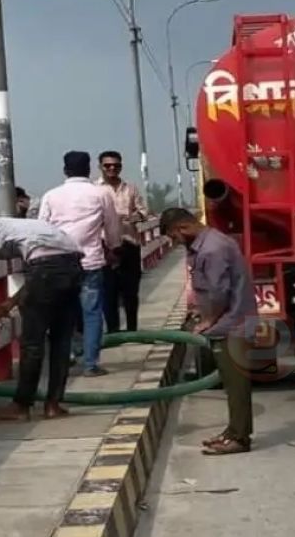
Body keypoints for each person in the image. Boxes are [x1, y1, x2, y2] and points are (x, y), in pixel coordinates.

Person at [0, 216, 82, 421]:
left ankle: (21, 406)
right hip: (73, 264)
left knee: (33, 343)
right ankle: (53, 405)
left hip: (47, 267)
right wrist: (9, 304)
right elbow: (40, 278)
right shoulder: (21, 228)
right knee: (61, 340)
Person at [160, 207, 255, 456]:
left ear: (182, 228)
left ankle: (240, 438)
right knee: (230, 381)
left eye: (173, 237)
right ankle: (232, 432)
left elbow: (217, 292)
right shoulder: (210, 242)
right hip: (229, 321)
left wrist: (207, 320)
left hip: (232, 323)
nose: (175, 242)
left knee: (236, 385)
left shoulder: (212, 249)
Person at [38, 151, 122, 377]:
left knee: (62, 312)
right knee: (92, 313)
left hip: (59, 262)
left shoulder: (51, 196)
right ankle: (91, 363)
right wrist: (114, 250)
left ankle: (67, 356)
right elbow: (113, 230)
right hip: (90, 261)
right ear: (89, 170)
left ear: (65, 171)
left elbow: (42, 230)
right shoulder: (101, 193)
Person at [96, 151, 148, 332]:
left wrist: (135, 217)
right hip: (106, 247)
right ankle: (113, 331)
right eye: (107, 165)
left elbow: (143, 212)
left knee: (131, 291)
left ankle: (132, 329)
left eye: (116, 165)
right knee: (108, 291)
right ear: (100, 167)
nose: (112, 168)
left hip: (129, 243)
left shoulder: (130, 188)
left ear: (121, 167)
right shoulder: (95, 190)